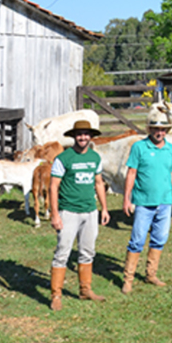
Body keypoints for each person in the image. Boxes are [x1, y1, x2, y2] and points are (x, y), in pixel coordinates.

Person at [121, 106, 172, 294]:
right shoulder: (139, 147)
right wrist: (127, 199)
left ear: (166, 131)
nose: (159, 132)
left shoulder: (169, 149)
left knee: (159, 239)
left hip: (165, 202)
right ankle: (128, 279)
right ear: (150, 130)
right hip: (143, 202)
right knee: (137, 240)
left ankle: (151, 274)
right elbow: (131, 173)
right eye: (156, 129)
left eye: (163, 129)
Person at [48, 119, 110, 311]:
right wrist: (55, 214)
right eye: (79, 134)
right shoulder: (63, 158)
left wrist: (104, 208)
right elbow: (53, 186)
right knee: (63, 253)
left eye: (86, 134)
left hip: (90, 211)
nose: (83, 137)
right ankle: (56, 295)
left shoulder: (95, 158)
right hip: (68, 212)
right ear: (74, 136)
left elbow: (99, 183)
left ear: (91, 136)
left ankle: (85, 290)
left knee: (88, 252)